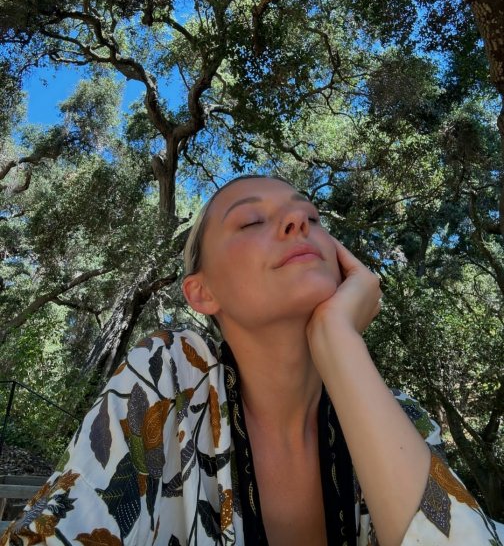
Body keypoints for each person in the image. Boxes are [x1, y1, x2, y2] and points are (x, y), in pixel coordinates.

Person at [1, 175, 502, 546]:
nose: (299, 222)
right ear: (202, 292)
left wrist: (340, 341)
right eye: (251, 221)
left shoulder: (401, 416)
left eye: (312, 217)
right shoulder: (166, 377)